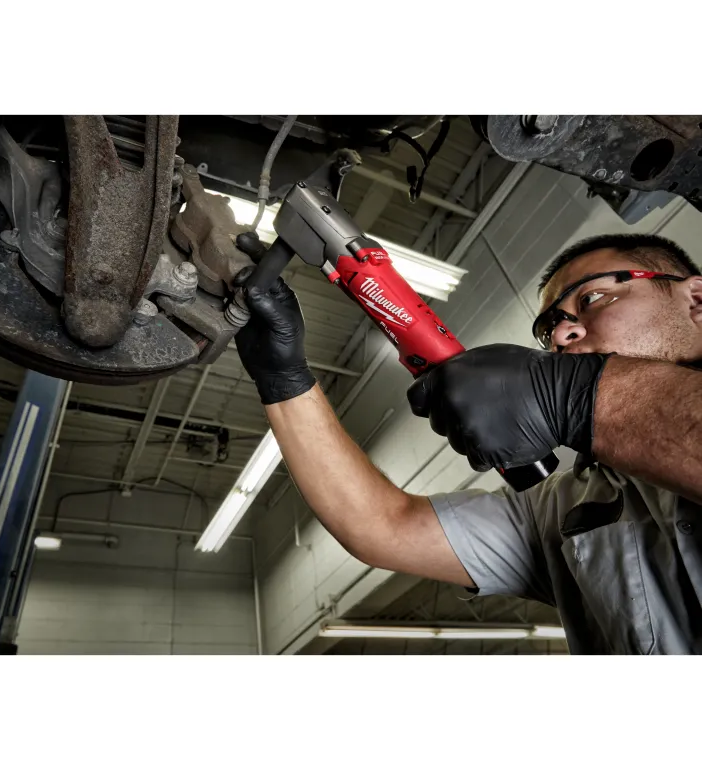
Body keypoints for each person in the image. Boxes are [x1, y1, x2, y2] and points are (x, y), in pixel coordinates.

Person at [234, 232, 702, 655]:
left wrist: (577, 396)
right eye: (550, 328)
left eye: (593, 297)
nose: (561, 335)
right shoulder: (558, 510)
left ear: (696, 301)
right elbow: (383, 526)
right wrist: (284, 378)